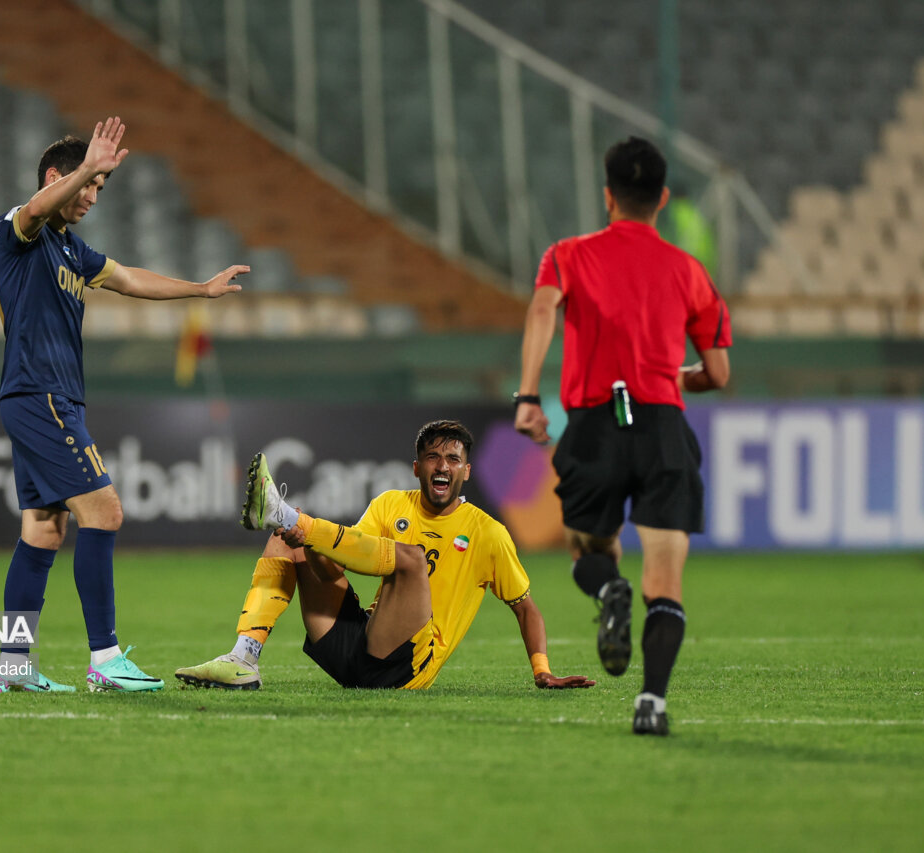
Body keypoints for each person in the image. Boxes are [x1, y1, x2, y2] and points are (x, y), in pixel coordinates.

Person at [0, 116, 249, 693]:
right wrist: (87, 166)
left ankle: (13, 667)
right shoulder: (17, 230)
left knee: (43, 529)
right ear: (60, 176)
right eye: (88, 185)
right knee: (104, 513)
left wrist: (200, 290)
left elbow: (129, 279)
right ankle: (105, 661)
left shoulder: (69, 249)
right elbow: (33, 210)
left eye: (101, 188)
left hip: (48, 399)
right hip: (42, 397)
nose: (92, 196)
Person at [513, 136, 732, 735]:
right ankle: (652, 704)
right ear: (662, 199)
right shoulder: (690, 271)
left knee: (589, 550)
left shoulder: (567, 256)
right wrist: (679, 374)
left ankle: (611, 588)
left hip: (594, 425)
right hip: (661, 423)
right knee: (667, 577)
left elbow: (541, 311)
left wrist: (530, 396)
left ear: (607, 196)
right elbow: (717, 373)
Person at [175, 420, 595, 693]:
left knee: (409, 560)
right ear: (417, 467)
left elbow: (526, 608)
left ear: (465, 471)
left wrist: (542, 670)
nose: (442, 465)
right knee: (288, 542)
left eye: (453, 459)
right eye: (433, 457)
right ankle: (244, 656)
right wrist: (306, 540)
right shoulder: (392, 503)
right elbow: (337, 563)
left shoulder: (489, 533)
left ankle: (289, 515)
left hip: (408, 667)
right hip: (359, 647)